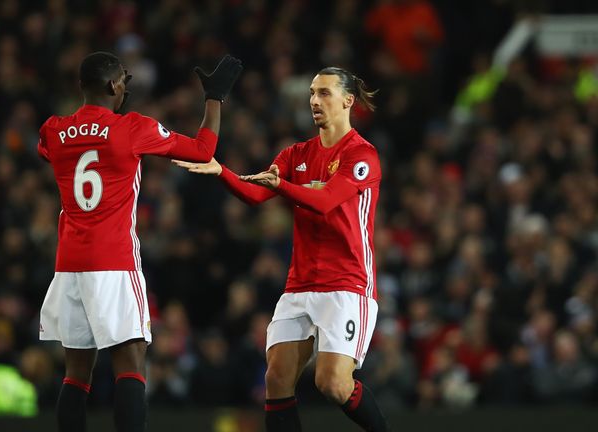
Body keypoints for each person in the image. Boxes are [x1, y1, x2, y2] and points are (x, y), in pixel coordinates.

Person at [175, 67, 390, 431]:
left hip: (346, 284)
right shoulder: (296, 154)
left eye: (323, 93)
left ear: (348, 100)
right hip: (300, 284)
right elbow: (257, 192)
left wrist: (281, 187)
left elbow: (324, 202)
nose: (313, 101)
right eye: (311, 93)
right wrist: (221, 171)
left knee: (332, 384)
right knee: (276, 379)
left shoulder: (362, 156)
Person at [37, 51, 242, 432]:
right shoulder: (131, 127)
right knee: (131, 365)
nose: (125, 89)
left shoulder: (53, 129)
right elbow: (203, 151)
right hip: (113, 261)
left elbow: (51, 149)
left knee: (76, 373)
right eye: (124, 82)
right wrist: (214, 98)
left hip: (68, 264)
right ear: (114, 85)